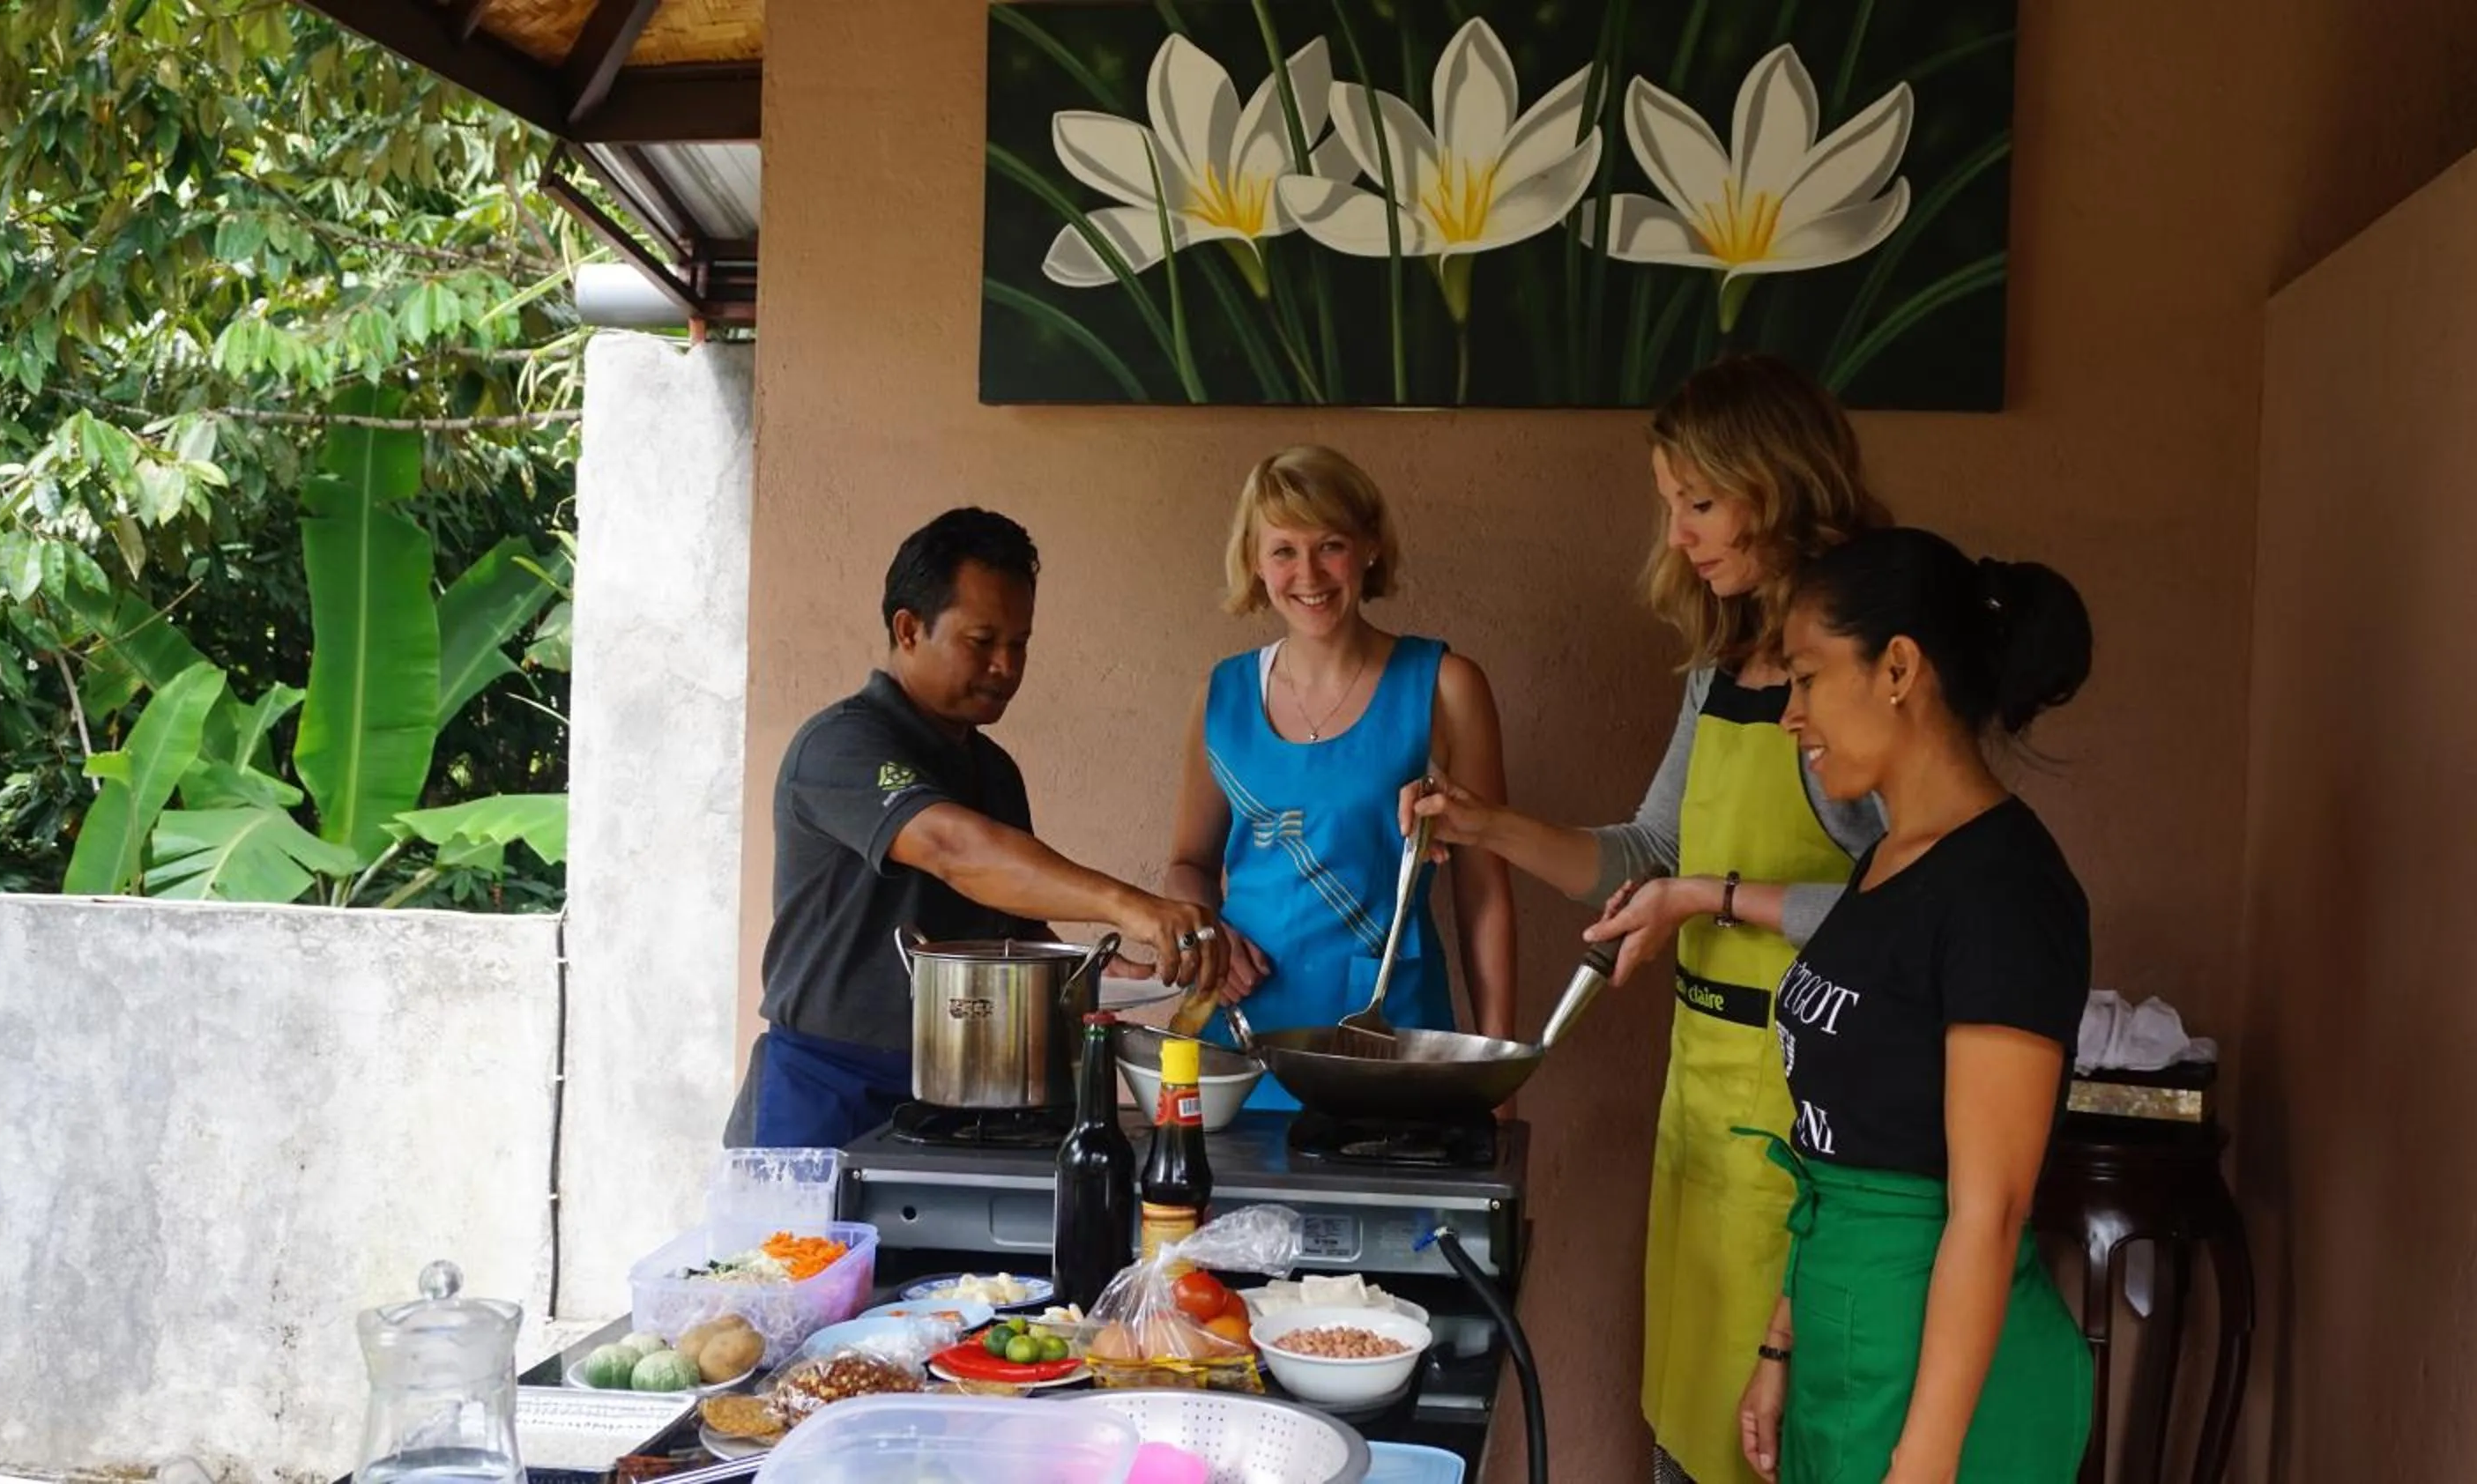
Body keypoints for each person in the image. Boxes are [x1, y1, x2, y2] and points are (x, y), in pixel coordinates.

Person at [1404, 357, 1886, 1484]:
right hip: (1702, 1094)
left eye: (1699, 502)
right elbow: (1649, 853)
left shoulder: (1857, 670)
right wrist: (1486, 824)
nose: (1678, 536)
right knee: (1686, 1424)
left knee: (1772, 1439)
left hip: (1816, 1105)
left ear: (1777, 482)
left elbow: (1909, 910)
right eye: (1670, 503)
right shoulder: (1722, 668)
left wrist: (1707, 899)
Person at [1735, 526, 2095, 1482]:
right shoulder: (1888, 861)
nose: (1790, 715)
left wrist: (1926, 1460)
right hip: (1847, 1339)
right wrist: (1780, 1344)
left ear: (1898, 667)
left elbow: (1991, 1208)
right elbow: (1841, 1136)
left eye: (1807, 678)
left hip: (1940, 1381)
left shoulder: (2005, 891)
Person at [724, 508, 1225, 1150]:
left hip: (967, 1092)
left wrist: (1102, 972)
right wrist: (1130, 905)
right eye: (982, 641)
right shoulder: (839, 746)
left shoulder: (993, 770)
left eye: (1020, 644)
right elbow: (955, 850)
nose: (1005, 666)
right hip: (828, 1088)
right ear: (909, 629)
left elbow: (1013, 931)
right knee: (814, 1225)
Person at [1162, 445, 1515, 1108]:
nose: (1309, 574)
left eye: (1330, 546)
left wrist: (1498, 1068)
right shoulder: (1221, 697)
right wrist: (1206, 931)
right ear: (1254, 561)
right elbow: (1188, 865)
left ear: (1370, 548)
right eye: (1283, 551)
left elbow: (1485, 891)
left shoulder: (1444, 686)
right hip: (1242, 1041)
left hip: (1393, 1037)